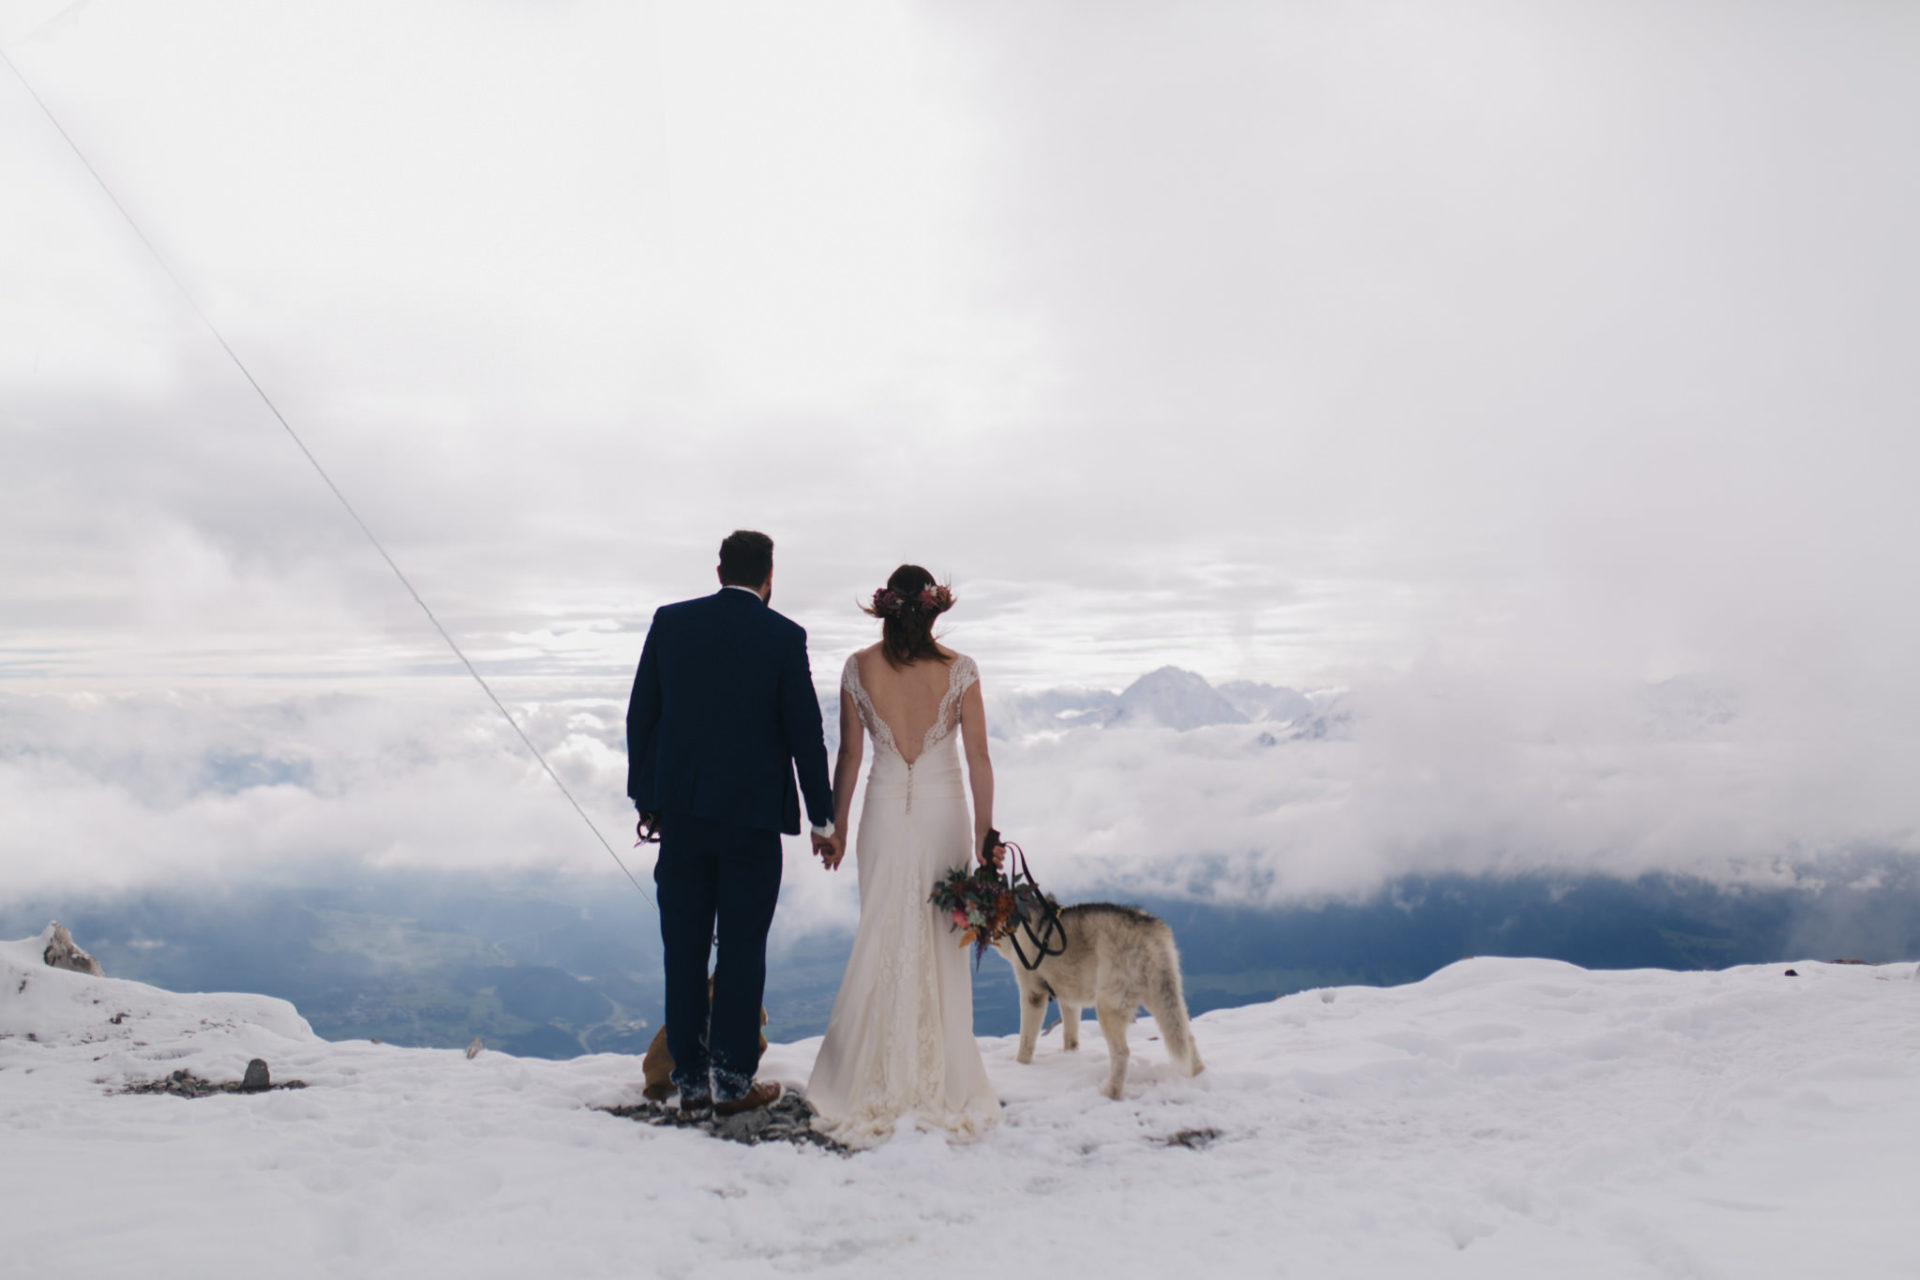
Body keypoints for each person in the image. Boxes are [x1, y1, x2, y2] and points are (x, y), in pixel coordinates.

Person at [626, 530, 842, 1116]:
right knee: (744, 949)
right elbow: (805, 735)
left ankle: (691, 1081)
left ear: (718, 570)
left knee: (684, 948)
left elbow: (642, 715)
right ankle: (732, 1080)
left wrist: (646, 801)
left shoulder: (670, 623)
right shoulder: (783, 636)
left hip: (684, 816)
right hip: (752, 823)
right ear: (770, 577)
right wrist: (823, 818)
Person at [805, 564, 1004, 1147]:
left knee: (884, 930)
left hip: (884, 813)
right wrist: (987, 838)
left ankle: (872, 1069)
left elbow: (848, 757)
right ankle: (939, 1071)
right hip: (945, 815)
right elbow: (980, 759)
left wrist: (835, 828)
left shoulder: (858, 667)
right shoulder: (960, 669)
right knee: (940, 938)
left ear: (885, 609)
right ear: (935, 609)